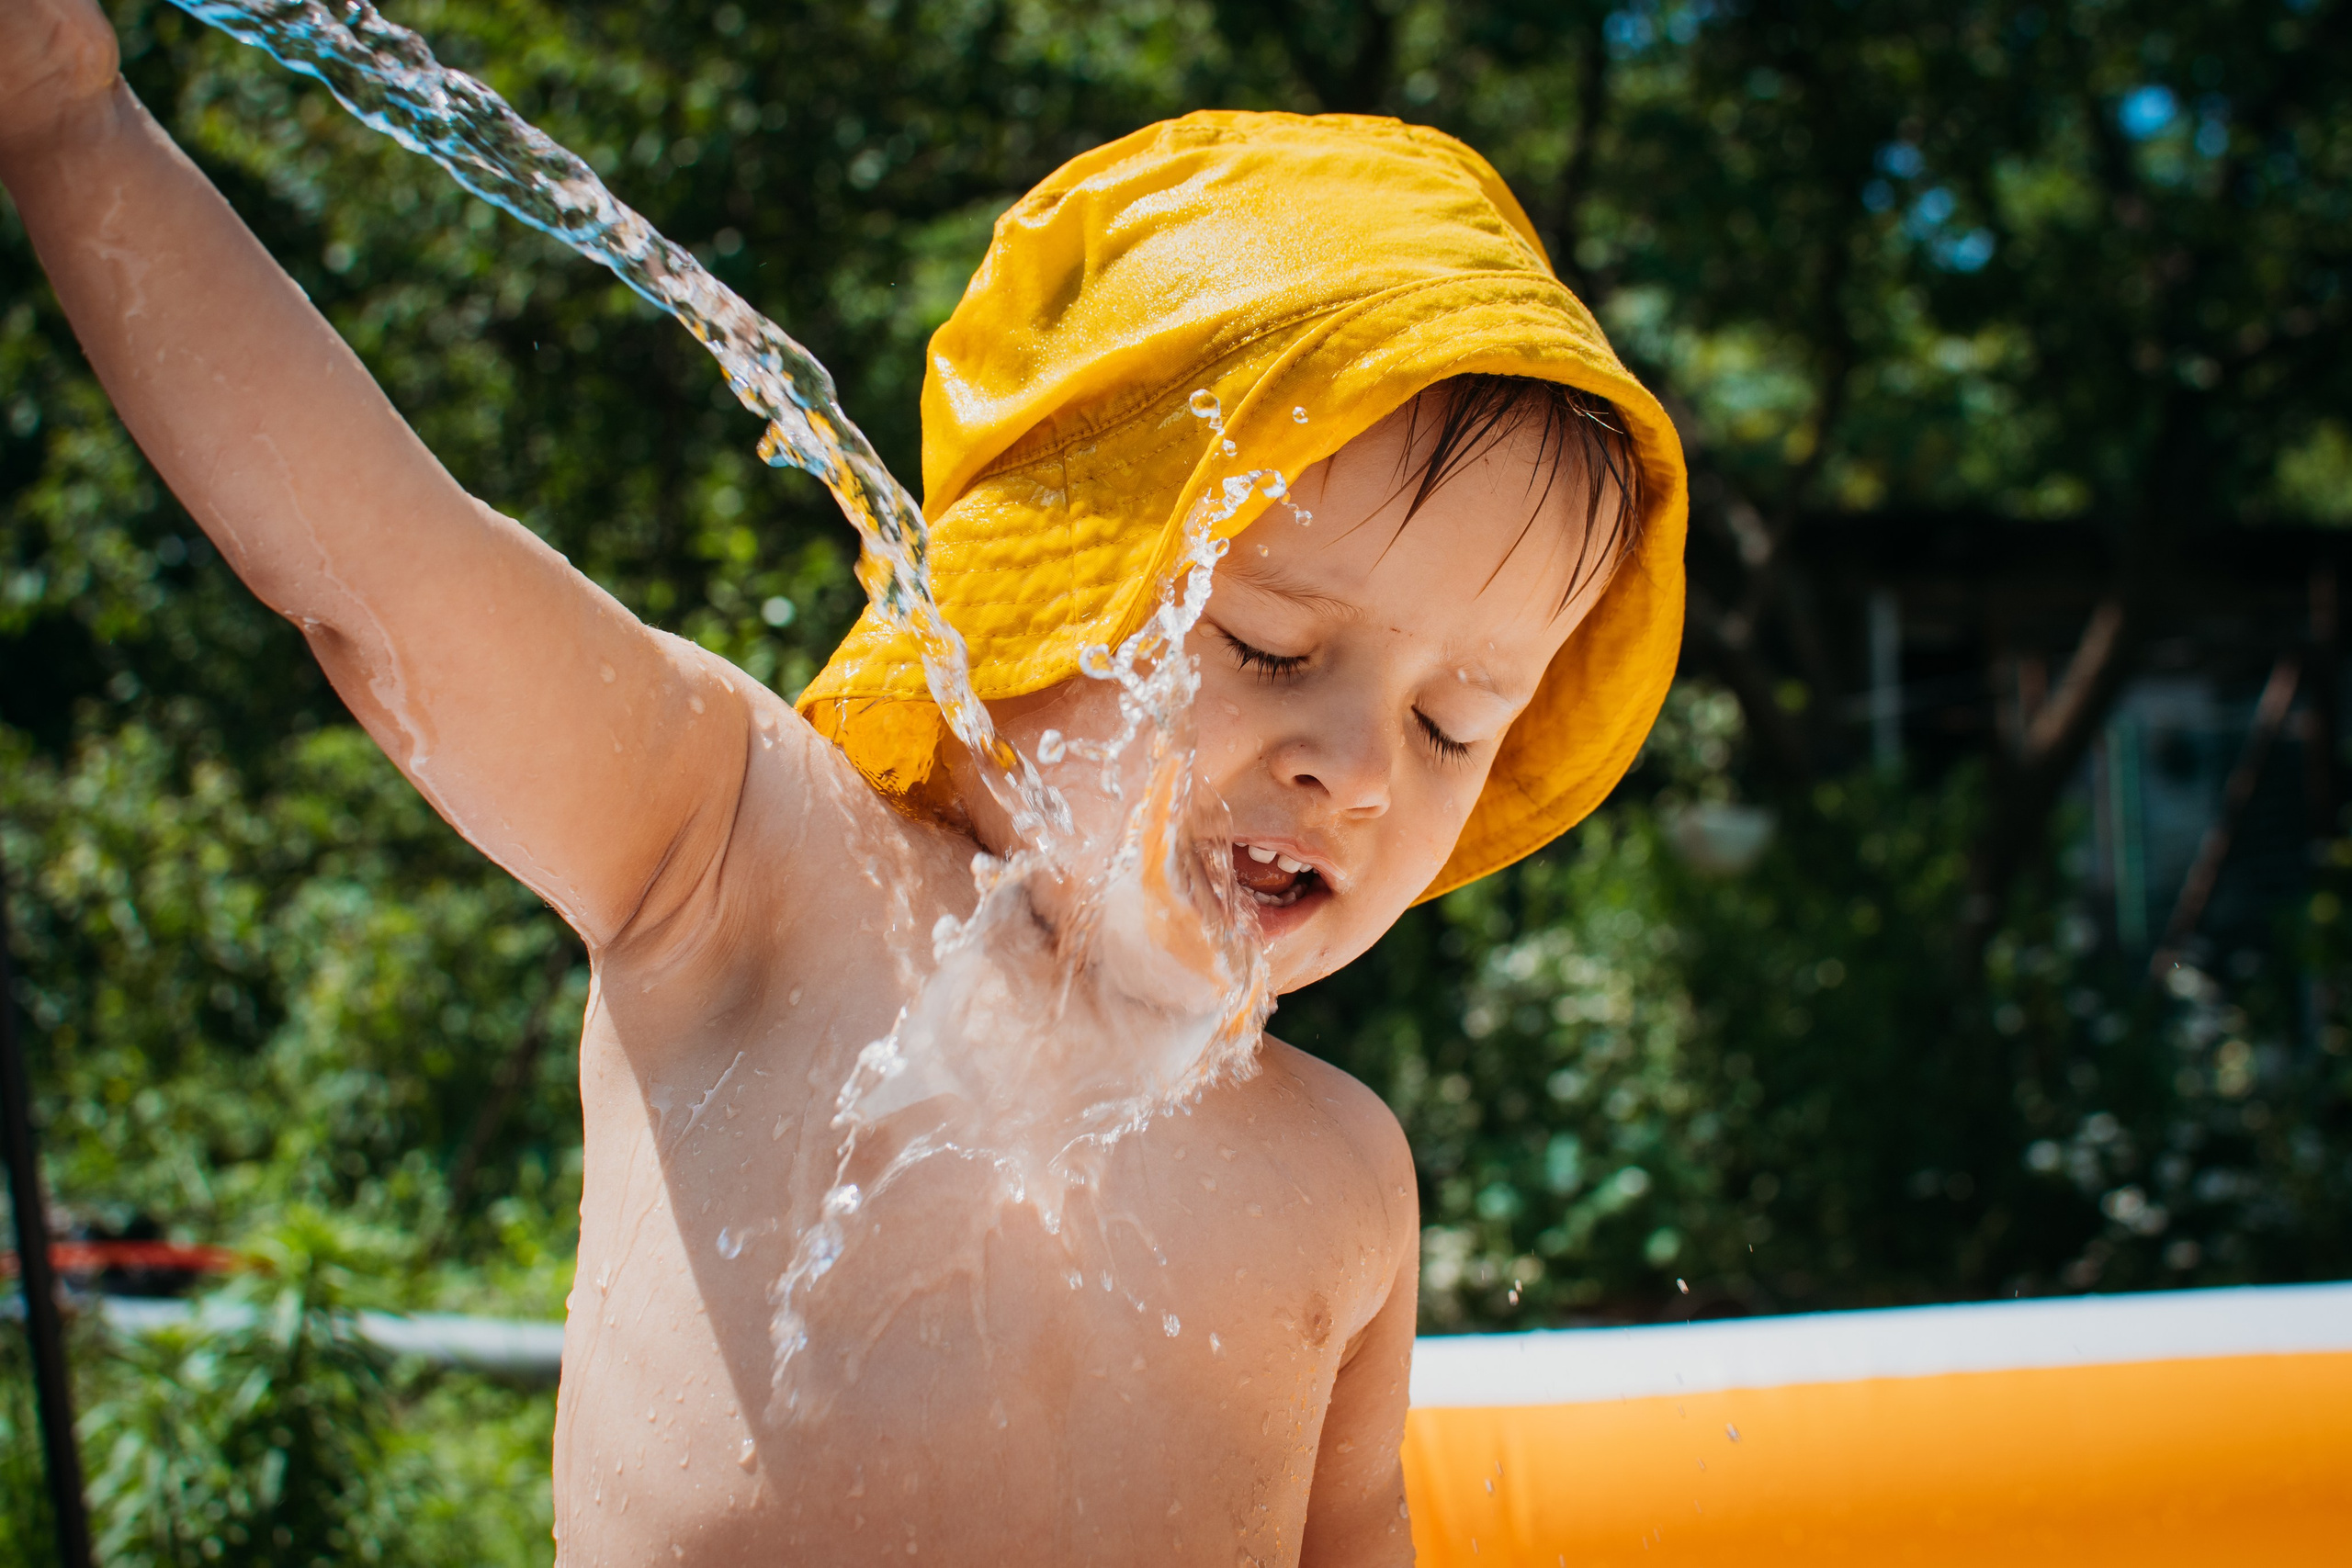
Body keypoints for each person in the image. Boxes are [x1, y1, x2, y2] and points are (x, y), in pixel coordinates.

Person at [0, 0, 1686, 1559]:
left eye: (1459, 724)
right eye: (1261, 645)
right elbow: (379, 567)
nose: (1358, 767)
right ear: (1056, 574)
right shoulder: (746, 858)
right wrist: (67, 121)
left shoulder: (1341, 1173)